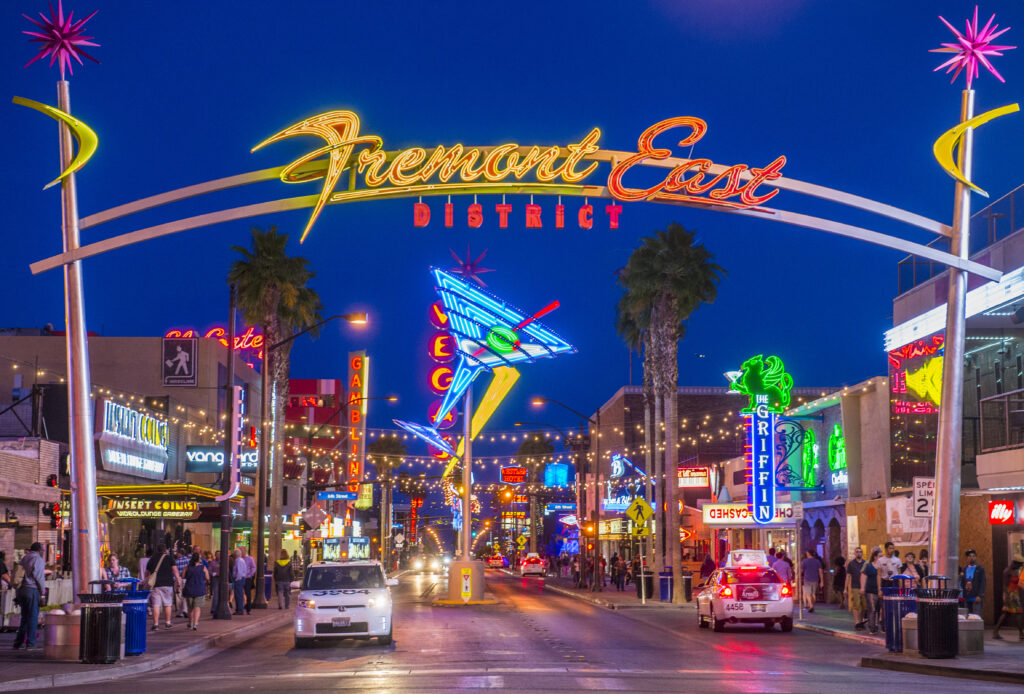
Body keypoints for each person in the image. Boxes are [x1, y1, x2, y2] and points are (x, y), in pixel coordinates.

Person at [13, 542, 46, 650]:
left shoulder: (25, 558)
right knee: (32, 617)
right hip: (32, 590)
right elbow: (39, 577)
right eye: (42, 550)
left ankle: (18, 642)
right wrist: (42, 594)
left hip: (21, 590)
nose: (43, 552)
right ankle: (30, 643)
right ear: (39, 550)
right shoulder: (38, 559)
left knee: (25, 617)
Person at [146, 544, 181, 630]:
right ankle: (168, 623)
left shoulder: (152, 559)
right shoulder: (169, 558)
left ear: (157, 550)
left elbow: (147, 573)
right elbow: (175, 571)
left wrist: (146, 581)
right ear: (165, 550)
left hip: (155, 585)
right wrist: (178, 581)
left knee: (156, 605)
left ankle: (156, 624)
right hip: (167, 584)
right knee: (168, 604)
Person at [992, 558, 1024, 641]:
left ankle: (995, 631)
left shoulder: (1014, 571)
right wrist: (1006, 596)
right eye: (1019, 565)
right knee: (1018, 613)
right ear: (1015, 563)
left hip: (1014, 593)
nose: (1020, 567)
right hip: (1011, 594)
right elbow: (1005, 585)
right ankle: (1021, 633)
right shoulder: (1007, 571)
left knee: (1006, 613)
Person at [182, 552, 209, 631]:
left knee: (190, 608)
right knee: (197, 608)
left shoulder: (187, 567)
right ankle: (195, 624)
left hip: (189, 589)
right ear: (199, 559)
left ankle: (190, 623)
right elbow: (207, 577)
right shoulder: (203, 568)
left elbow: (183, 576)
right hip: (199, 589)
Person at [960, 548, 986, 617]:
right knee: (967, 615)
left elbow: (983, 582)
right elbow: (962, 582)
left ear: (976, 557)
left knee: (976, 616)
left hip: (976, 596)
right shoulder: (964, 568)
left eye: (973, 556)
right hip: (967, 596)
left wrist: (980, 595)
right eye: (969, 556)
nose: (971, 558)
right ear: (967, 558)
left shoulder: (980, 568)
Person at [861, 547, 881, 634]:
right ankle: (872, 627)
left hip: (879, 590)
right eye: (880, 556)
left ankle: (877, 625)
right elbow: (863, 576)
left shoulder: (881, 567)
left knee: (878, 609)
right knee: (872, 609)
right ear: (875, 557)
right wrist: (862, 587)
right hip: (870, 590)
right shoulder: (869, 566)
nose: (881, 558)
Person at [846, 547, 866, 629]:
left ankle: (861, 621)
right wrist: (845, 588)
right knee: (856, 605)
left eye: (860, 552)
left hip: (864, 587)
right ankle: (857, 622)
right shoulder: (851, 564)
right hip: (855, 587)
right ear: (854, 553)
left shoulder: (865, 563)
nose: (859, 553)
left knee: (864, 606)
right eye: (857, 552)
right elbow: (848, 576)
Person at [174, 546, 190, 618]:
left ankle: (184, 610)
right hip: (187, 579)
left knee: (180, 596)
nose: (176, 555)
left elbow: (174, 572)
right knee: (185, 595)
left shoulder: (176, 562)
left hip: (179, 579)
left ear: (180, 554)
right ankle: (182, 611)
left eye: (177, 553)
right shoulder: (188, 560)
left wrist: (175, 580)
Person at [239, 546, 257, 613]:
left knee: (247, 593)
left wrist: (250, 574)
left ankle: (248, 608)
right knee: (240, 593)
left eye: (241, 551)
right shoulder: (239, 559)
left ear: (244, 551)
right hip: (240, 578)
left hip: (247, 578)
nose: (240, 552)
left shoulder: (250, 558)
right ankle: (241, 606)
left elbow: (253, 567)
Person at [231, 549, 246, 615]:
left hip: (239, 579)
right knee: (238, 594)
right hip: (240, 579)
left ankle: (240, 609)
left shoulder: (238, 561)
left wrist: (237, 579)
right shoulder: (241, 560)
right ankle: (239, 608)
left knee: (238, 595)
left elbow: (239, 572)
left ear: (236, 554)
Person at [208, 550, 221, 617]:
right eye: (217, 554)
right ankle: (214, 608)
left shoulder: (224, 562)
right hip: (216, 579)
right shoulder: (213, 562)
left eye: (219, 554)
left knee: (222, 594)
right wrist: (215, 574)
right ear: (215, 555)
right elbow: (209, 571)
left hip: (223, 579)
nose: (218, 555)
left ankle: (220, 607)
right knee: (216, 593)